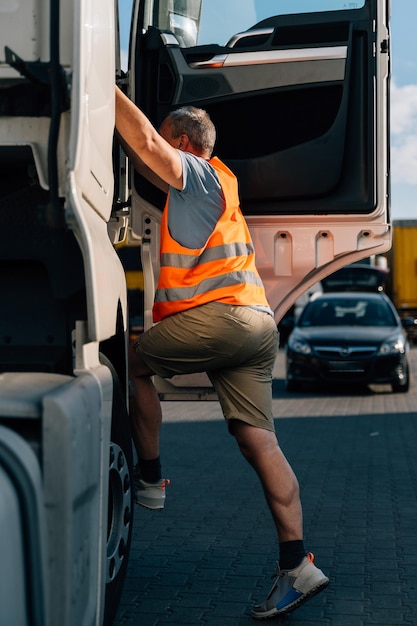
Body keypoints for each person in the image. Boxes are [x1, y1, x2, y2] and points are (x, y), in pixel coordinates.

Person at [114, 86, 329, 619]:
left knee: (131, 364)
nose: (157, 157)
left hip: (224, 321)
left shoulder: (199, 173)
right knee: (258, 441)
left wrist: (100, 82)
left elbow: (141, 138)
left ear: (183, 142)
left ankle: (150, 479)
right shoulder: (221, 186)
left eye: (169, 143)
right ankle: (298, 565)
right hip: (257, 325)